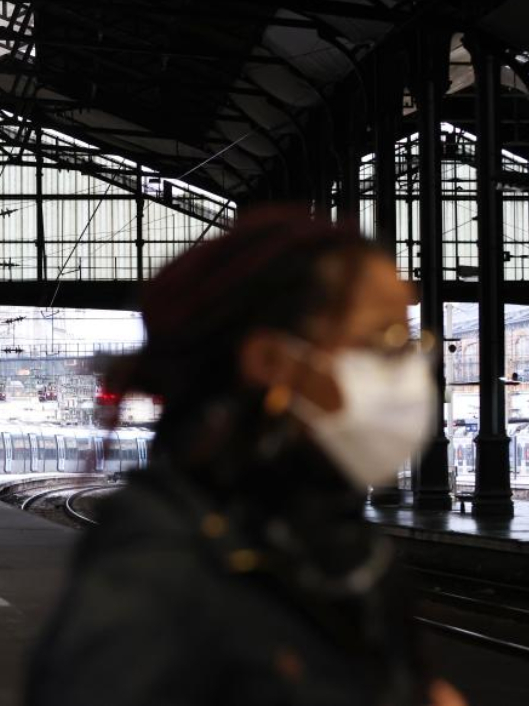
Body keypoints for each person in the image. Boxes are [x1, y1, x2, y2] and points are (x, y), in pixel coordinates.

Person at [26, 207, 466, 706]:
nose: (410, 369)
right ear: (272, 361)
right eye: (384, 340)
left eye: (412, 343)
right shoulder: (156, 584)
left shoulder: (337, 548)